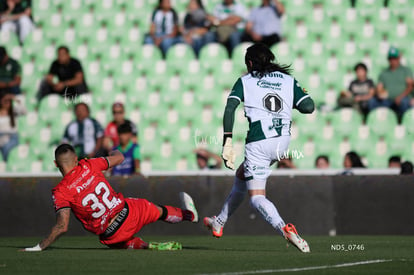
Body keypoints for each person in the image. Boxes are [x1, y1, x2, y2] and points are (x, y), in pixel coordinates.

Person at [204, 43, 314, 252]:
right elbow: (309, 107)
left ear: (250, 63)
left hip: (259, 141)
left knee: (257, 197)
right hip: (282, 142)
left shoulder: (245, 81)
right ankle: (219, 222)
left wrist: (227, 141)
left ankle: (285, 229)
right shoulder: (288, 80)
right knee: (241, 175)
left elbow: (230, 109)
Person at [22, 144, 198, 251]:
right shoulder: (88, 164)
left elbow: (62, 226)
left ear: (55, 164)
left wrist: (40, 246)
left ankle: (145, 246)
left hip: (111, 235)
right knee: (159, 211)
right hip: (129, 214)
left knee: (116, 242)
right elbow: (119, 157)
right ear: (76, 159)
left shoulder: (60, 191)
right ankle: (189, 215)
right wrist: (112, 149)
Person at [369, 46, 413, 119]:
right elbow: (379, 87)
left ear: (399, 58)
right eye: (391, 58)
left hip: (403, 98)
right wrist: (379, 93)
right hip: (387, 99)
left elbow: (410, 86)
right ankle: (375, 121)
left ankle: (402, 123)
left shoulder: (406, 70)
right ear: (388, 59)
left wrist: (400, 97)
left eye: (395, 58)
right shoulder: (384, 73)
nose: (393, 61)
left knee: (404, 103)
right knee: (372, 102)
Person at [0, 91, 25, 161]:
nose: (7, 102)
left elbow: (24, 111)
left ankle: (6, 162)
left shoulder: (14, 113)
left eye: (9, 101)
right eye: (5, 100)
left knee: (8, 147)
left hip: (11, 137)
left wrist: (14, 98)